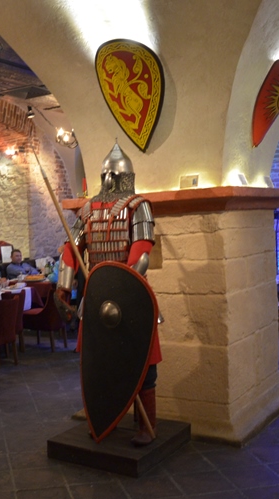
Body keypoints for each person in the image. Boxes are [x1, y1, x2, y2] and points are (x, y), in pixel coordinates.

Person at [57, 142, 161, 447]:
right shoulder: (89, 210)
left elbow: (141, 256)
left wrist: (120, 290)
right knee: (98, 364)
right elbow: (71, 250)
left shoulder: (137, 207)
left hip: (131, 297)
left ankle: (145, 424)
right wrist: (63, 288)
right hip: (97, 299)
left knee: (142, 364)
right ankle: (104, 418)